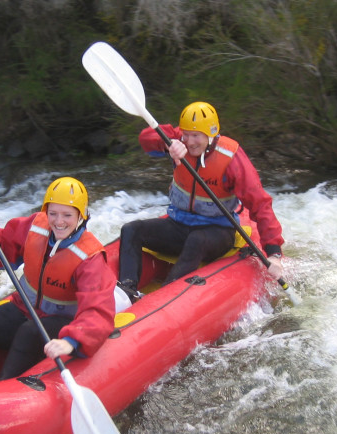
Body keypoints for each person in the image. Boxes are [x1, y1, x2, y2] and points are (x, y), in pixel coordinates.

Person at [0, 177, 119, 384]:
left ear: (81, 216)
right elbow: (3, 251)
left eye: (67, 215)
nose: (59, 221)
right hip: (25, 308)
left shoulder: (90, 257)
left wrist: (72, 341)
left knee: (29, 333)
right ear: (46, 211)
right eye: (53, 213)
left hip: (64, 323)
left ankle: (2, 393)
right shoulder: (35, 227)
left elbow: (98, 310)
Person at [117, 101, 285, 299]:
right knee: (131, 229)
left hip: (218, 232)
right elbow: (146, 138)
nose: (189, 141)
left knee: (196, 240)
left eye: (196, 136)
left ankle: (165, 295)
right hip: (178, 225)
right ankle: (126, 290)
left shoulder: (232, 158)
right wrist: (168, 143)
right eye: (186, 135)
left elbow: (260, 203)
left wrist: (274, 254)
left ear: (211, 134)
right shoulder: (178, 140)